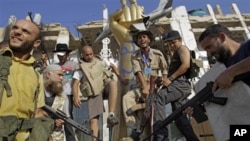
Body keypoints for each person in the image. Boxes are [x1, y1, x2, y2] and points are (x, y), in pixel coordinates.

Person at [0, 19, 54, 140]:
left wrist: (47, 135)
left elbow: (38, 112)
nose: (17, 32)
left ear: (36, 43)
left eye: (25, 31)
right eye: (15, 28)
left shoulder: (35, 75)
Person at [183, 24, 250, 119]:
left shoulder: (247, 48)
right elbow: (229, 100)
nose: (209, 54)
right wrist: (200, 108)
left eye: (209, 47)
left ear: (222, 37)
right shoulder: (220, 68)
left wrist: (231, 72)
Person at [122, 27, 169, 138]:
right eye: (139, 38)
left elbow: (165, 69)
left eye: (144, 37)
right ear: (137, 42)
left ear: (149, 40)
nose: (142, 40)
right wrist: (144, 87)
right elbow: (138, 71)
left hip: (156, 87)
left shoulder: (157, 54)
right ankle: (132, 126)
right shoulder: (135, 55)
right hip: (141, 87)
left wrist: (164, 80)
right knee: (127, 98)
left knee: (152, 117)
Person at [154, 30, 199, 141]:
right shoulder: (174, 53)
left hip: (180, 85)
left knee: (158, 98)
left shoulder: (182, 49)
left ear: (180, 40)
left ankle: (161, 136)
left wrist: (170, 79)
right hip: (177, 85)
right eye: (169, 43)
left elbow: (186, 65)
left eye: (173, 42)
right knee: (179, 118)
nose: (171, 45)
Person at [72, 45, 119, 141]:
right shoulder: (80, 67)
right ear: (82, 55)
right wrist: (75, 97)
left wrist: (120, 77)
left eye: (91, 54)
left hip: (104, 87)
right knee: (93, 120)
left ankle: (111, 115)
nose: (89, 56)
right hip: (93, 93)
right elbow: (75, 83)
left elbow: (112, 66)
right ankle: (95, 139)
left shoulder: (100, 60)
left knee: (113, 84)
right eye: (87, 55)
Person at [53, 43, 77, 141]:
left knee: (68, 117)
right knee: (56, 118)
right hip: (57, 95)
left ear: (67, 54)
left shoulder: (74, 65)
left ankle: (71, 138)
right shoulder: (54, 66)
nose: (61, 57)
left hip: (68, 94)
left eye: (63, 55)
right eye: (59, 55)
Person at [43, 64, 66, 141]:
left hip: (56, 136)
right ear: (48, 75)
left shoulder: (63, 96)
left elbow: (66, 116)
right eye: (59, 75)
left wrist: (62, 121)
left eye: (62, 75)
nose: (61, 78)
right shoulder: (37, 93)